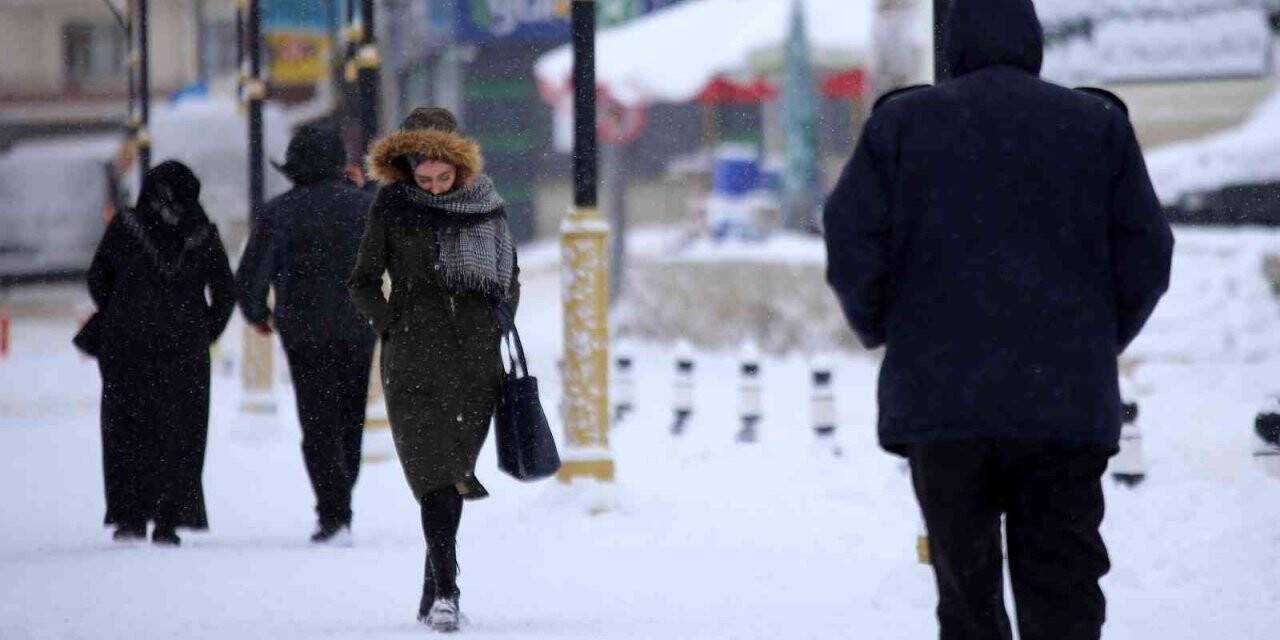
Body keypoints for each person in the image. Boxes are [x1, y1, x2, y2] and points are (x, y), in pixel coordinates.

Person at [822, 0, 1174, 638]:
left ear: (951, 46)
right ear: (1033, 41)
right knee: (1063, 587)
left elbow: (852, 241)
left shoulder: (902, 126)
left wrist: (888, 329)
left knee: (966, 594)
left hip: (942, 405)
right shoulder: (1095, 125)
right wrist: (1095, 339)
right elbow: (1147, 252)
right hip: (1063, 403)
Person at [348, 107, 520, 632]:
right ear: (407, 168)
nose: (436, 188)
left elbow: (509, 274)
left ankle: (434, 590)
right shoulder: (392, 207)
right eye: (425, 179)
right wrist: (391, 322)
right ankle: (448, 592)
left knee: (452, 477)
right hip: (413, 361)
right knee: (432, 477)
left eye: (445, 178)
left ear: (460, 167)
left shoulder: (487, 206)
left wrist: (497, 320)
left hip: (474, 364)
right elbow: (362, 281)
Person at [236, 123, 377, 545]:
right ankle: (341, 500)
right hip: (358, 325)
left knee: (317, 423)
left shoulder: (277, 212)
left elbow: (251, 277)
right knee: (350, 420)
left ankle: (333, 513)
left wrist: (258, 313)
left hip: (304, 332)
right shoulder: (363, 207)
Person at [84, 160, 236, 546]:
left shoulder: (125, 227)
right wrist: (205, 331)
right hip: (184, 350)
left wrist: (121, 308)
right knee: (178, 433)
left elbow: (97, 279)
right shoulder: (201, 233)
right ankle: (169, 517)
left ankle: (130, 515)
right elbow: (225, 291)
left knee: (127, 429)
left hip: (126, 348)